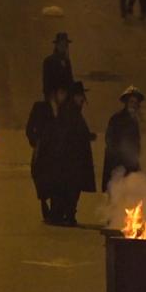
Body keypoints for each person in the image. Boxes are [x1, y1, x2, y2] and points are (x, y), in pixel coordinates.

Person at [53, 82, 97, 226]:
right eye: (80, 96)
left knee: (71, 189)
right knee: (70, 189)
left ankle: (67, 214)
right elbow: (68, 135)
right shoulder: (70, 112)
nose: (82, 99)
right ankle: (67, 215)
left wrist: (87, 136)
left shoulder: (71, 111)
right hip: (71, 161)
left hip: (73, 160)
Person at [31, 85, 69, 223]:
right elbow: (30, 127)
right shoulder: (40, 107)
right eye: (61, 92)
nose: (63, 96)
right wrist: (35, 141)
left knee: (57, 181)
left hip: (59, 152)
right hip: (44, 151)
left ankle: (54, 212)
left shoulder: (65, 109)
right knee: (42, 179)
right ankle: (43, 203)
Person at [103, 86, 144, 192]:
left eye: (136, 102)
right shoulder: (116, 119)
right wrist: (119, 166)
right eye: (131, 102)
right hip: (117, 168)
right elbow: (110, 142)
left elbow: (135, 146)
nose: (134, 105)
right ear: (126, 103)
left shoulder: (134, 121)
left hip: (130, 169)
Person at [42, 33, 74, 102]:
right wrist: (51, 98)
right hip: (53, 99)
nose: (63, 47)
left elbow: (70, 80)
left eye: (65, 45)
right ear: (56, 45)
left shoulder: (67, 61)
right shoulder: (49, 61)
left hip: (67, 100)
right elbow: (46, 83)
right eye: (61, 44)